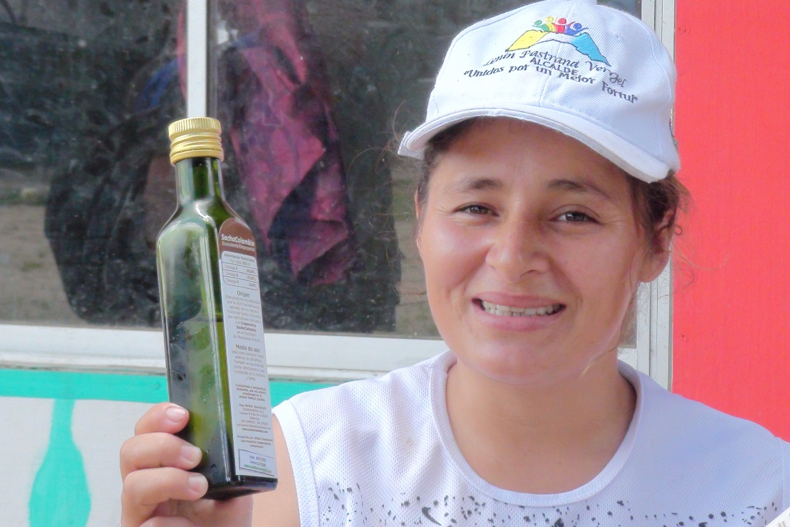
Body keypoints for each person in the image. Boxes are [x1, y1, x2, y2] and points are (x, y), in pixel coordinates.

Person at [120, 1, 790, 525]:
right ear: (421, 219)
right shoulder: (307, 469)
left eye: (573, 215)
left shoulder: (756, 493)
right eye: (476, 207)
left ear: (657, 240)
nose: (513, 257)